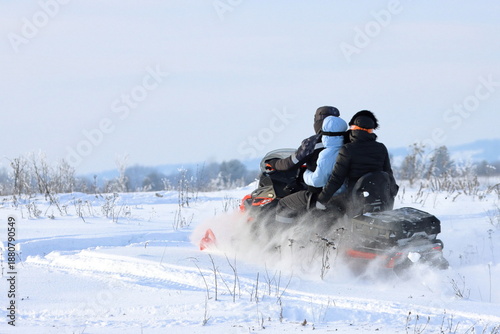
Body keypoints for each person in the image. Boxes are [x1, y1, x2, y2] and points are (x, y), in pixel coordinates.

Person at [314, 110, 398, 213]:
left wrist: (321, 200)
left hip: (354, 200)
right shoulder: (381, 148)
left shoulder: (348, 149)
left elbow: (336, 179)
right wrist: (392, 193)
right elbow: (388, 174)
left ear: (354, 130)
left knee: (322, 208)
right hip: (380, 200)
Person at [274, 115, 348, 223]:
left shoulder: (327, 154)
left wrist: (306, 174)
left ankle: (282, 237)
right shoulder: (347, 150)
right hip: (344, 195)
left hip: (324, 196)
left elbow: (317, 181)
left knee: (283, 204)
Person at [266, 106, 340, 173]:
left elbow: (290, 163)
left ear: (317, 121)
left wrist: (273, 163)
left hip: (320, 185)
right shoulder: (346, 138)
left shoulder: (312, 142)